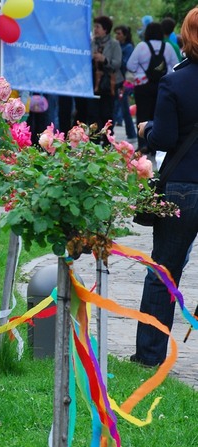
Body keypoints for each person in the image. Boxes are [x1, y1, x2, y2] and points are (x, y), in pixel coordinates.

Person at [131, 7, 198, 368]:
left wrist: (147, 130)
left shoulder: (175, 82)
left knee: (164, 273)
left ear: (186, 36)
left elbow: (166, 138)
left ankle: (149, 355)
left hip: (183, 186)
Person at [126, 21, 179, 153]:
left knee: (142, 114)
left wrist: (141, 71)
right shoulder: (167, 47)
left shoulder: (141, 46)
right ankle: (154, 145)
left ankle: (143, 144)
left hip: (142, 86)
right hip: (162, 85)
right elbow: (175, 66)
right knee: (158, 114)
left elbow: (130, 66)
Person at [89, 15, 123, 138]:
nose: (95, 29)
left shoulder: (114, 44)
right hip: (94, 82)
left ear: (105, 29)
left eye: (98, 27)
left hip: (109, 84)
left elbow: (117, 63)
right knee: (93, 113)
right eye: (94, 27)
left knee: (107, 113)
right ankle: (95, 140)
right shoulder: (92, 43)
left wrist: (104, 59)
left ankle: (108, 139)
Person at [113, 24, 137, 140]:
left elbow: (127, 64)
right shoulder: (119, 46)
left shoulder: (128, 48)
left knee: (122, 107)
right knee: (121, 106)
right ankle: (130, 132)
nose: (117, 36)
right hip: (118, 80)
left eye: (119, 34)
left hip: (124, 81)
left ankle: (131, 132)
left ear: (125, 35)